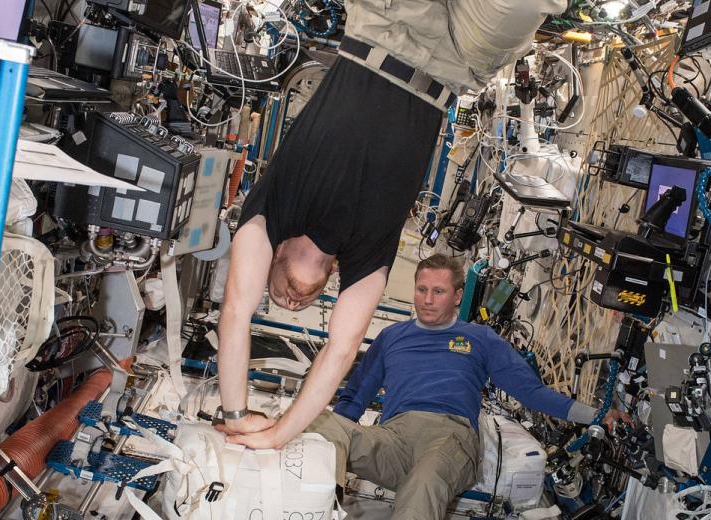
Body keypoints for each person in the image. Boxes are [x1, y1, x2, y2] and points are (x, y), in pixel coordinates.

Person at [216, 0, 570, 449]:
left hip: (386, 23)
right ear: (330, 283)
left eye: (276, 296)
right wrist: (279, 436)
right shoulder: (366, 258)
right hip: (455, 64)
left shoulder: (272, 213)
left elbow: (234, 312)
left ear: (273, 258)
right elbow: (341, 351)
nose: (289, 302)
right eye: (301, 305)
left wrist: (236, 415)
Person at [306, 254, 629, 519]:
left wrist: (596, 415)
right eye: (422, 290)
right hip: (394, 438)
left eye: (438, 291)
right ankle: (319, 507)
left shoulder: (479, 338)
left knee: (424, 484)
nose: (427, 300)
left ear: (458, 296)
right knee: (315, 422)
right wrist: (339, 443)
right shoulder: (392, 338)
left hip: (449, 437)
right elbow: (355, 397)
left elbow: (531, 392)